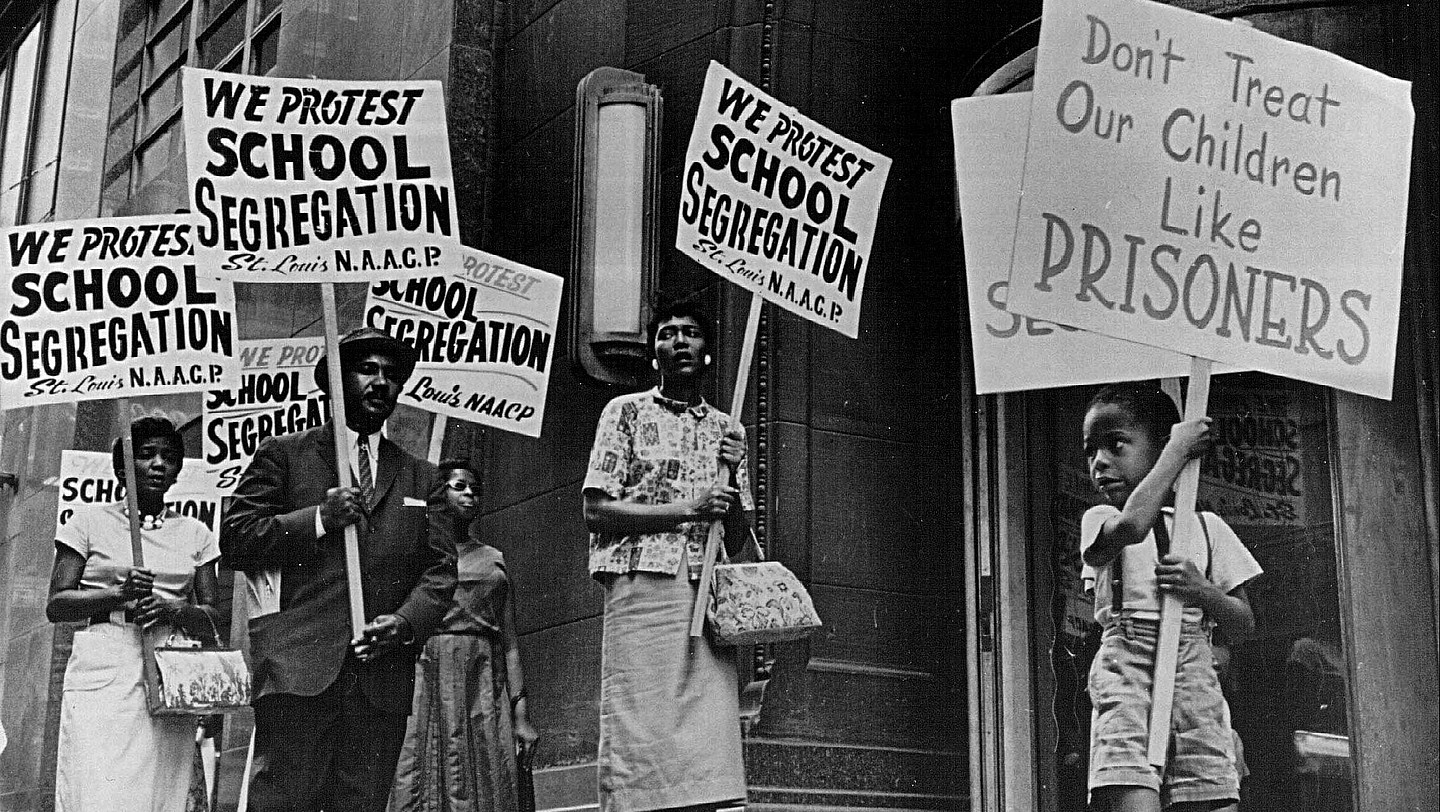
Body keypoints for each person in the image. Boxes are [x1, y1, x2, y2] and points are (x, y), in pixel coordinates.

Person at [221, 327, 457, 812]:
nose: (380, 383)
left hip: (380, 678)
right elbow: (237, 540)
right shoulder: (285, 454)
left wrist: (406, 622)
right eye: (366, 369)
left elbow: (439, 570)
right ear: (332, 380)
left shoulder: (421, 476)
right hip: (300, 669)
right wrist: (319, 520)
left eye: (392, 375)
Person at [582, 300, 760, 812]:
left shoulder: (727, 429)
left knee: (707, 737)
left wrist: (735, 466)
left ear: (708, 353)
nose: (680, 341)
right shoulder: (625, 413)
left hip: (704, 593)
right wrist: (689, 508)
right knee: (642, 724)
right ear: (654, 352)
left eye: (692, 333)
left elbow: (740, 534)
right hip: (642, 588)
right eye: (667, 333)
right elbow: (596, 509)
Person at [1079, 382, 1262, 812]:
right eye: (1091, 450)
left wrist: (1204, 593)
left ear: (1157, 446)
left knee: (1209, 792)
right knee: (1132, 790)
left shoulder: (1206, 527)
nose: (1100, 462)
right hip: (1129, 667)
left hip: (1193, 665)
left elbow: (1243, 622)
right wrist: (1177, 453)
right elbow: (1133, 528)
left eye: (1116, 445)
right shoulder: (1102, 520)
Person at [47, 416, 222, 812]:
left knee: (159, 789)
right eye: (146, 455)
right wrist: (118, 595)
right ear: (123, 468)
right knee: (100, 785)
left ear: (179, 470)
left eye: (169, 457)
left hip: (167, 665)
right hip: (106, 659)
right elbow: (57, 603)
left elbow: (213, 613)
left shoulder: (196, 533)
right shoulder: (88, 523)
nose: (159, 464)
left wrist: (174, 610)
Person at [390, 459, 539, 811]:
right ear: (438, 495)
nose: (470, 493)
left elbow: (511, 646)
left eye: (475, 489)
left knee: (488, 774)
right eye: (459, 486)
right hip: (425, 682)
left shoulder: (493, 559)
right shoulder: (415, 557)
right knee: (418, 776)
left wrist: (521, 717)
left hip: (480, 684)